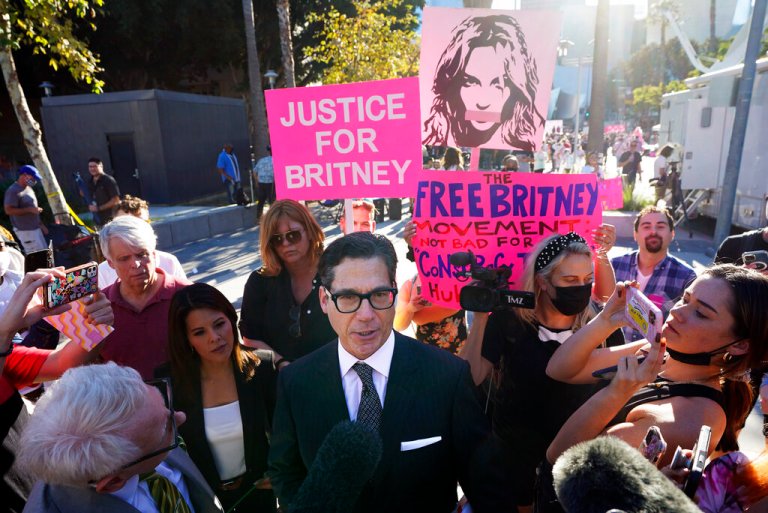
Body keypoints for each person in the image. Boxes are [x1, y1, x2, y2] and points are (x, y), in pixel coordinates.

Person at [268, 232, 505, 513]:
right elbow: (286, 473)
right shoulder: (296, 381)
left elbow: (486, 483)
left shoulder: (448, 375)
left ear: (394, 291)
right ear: (323, 299)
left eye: (379, 295)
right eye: (348, 298)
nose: (366, 314)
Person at [546, 265, 768, 480]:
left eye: (700, 313)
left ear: (739, 345)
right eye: (685, 299)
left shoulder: (689, 420)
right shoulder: (662, 351)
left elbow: (561, 457)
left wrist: (616, 393)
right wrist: (606, 320)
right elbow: (561, 370)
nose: (677, 311)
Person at [458, 228, 619, 512]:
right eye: (569, 280)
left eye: (587, 280)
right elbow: (469, 378)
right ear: (543, 281)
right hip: (512, 462)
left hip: (573, 468)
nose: (580, 288)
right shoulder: (509, 322)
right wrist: (482, 315)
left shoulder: (599, 327)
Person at [18, 362, 224, 513]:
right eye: (164, 430)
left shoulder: (144, 425)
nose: (180, 417)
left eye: (161, 400)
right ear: (113, 481)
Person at [163, 283, 277, 512]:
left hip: (259, 497)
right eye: (199, 332)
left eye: (219, 324)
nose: (214, 338)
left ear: (231, 319)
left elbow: (284, 430)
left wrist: (282, 472)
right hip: (203, 502)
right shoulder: (168, 384)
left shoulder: (262, 366)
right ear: (186, 339)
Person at [422, 14, 544, 150]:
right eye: (470, 82)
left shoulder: (529, 136)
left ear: (517, 86)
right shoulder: (434, 131)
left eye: (498, 84)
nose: (483, 103)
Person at [239, 200, 336, 368]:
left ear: (310, 231)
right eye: (277, 239)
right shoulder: (260, 281)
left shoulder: (336, 273)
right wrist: (283, 365)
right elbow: (250, 337)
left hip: (332, 375)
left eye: (293, 235)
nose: (286, 243)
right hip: (279, 380)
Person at [98, 216, 192, 379]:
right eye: (124, 258)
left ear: (155, 254)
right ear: (110, 263)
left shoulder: (189, 296)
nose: (135, 264)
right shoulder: (98, 309)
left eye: (141, 254)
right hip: (125, 402)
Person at [610, 206, 697, 341]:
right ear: (635, 234)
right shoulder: (614, 266)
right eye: (646, 226)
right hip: (610, 355)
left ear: (672, 234)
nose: (653, 231)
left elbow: (687, 328)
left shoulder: (687, 277)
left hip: (654, 357)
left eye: (660, 226)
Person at [97, 195, 187, 289]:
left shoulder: (169, 262)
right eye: (124, 226)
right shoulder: (103, 272)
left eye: (142, 222)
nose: (134, 231)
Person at [393, 273, 467, 354]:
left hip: (458, 346)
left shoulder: (459, 278)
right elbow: (398, 325)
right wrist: (410, 308)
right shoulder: (411, 285)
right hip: (428, 352)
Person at [3, 165, 48, 253]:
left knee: (45, 254)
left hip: (35, 229)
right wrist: (30, 210)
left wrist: (41, 225)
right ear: (24, 175)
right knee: (36, 257)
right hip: (26, 231)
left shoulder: (28, 189)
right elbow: (8, 210)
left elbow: (33, 208)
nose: (34, 180)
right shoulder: (13, 191)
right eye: (33, 177)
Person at [86, 157, 121, 226]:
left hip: (111, 219)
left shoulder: (108, 180)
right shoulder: (90, 181)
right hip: (97, 219)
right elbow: (87, 195)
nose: (92, 169)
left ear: (101, 166)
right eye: (90, 166)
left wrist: (98, 208)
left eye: (95, 166)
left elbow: (116, 200)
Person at [253, 146, 275, 221]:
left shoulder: (262, 160)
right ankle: (272, 219)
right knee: (272, 201)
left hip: (261, 183)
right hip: (270, 183)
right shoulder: (276, 160)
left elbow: (255, 171)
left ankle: (258, 218)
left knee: (261, 201)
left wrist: (256, 182)